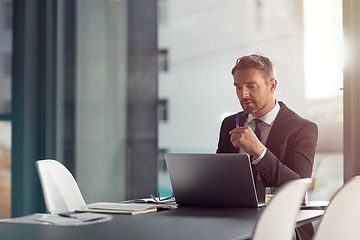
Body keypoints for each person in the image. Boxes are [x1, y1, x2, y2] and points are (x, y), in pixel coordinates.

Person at [216, 54, 318, 240]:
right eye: (238, 87)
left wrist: (259, 152)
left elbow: (299, 186)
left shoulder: (302, 128)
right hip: (234, 222)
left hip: (284, 225)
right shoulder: (230, 124)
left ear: (272, 86)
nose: (243, 94)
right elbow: (219, 177)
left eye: (250, 86)